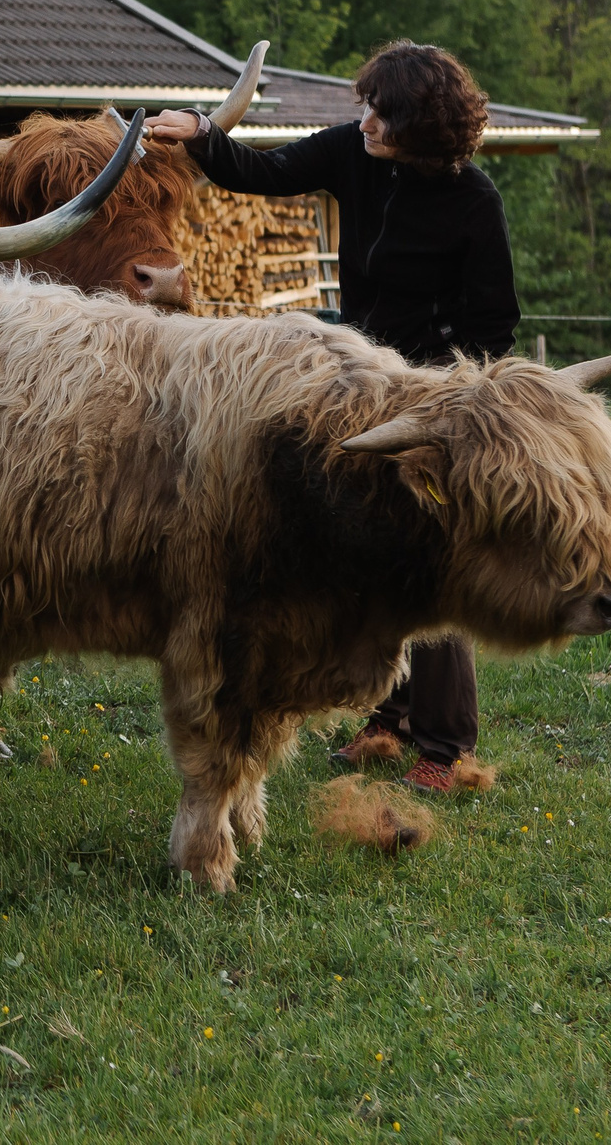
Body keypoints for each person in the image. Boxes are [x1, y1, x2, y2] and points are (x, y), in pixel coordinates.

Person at [144, 40, 517, 792]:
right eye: (366, 105)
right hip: (355, 390)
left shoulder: (474, 201)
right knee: (364, 552)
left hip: (429, 403)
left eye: (384, 113)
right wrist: (202, 133)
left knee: (429, 564)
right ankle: (386, 718)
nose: (366, 121)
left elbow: (495, 324)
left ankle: (444, 746)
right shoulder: (353, 152)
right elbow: (265, 172)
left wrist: (441, 398)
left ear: (423, 124)